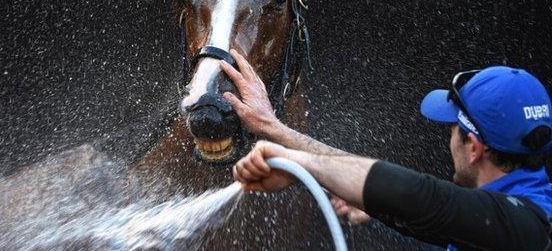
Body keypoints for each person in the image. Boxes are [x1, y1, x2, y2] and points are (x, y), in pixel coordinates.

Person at [218, 50, 552, 250]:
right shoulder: (515, 210)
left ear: (474, 148)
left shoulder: (527, 228)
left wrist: (299, 160)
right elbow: (408, 200)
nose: (449, 137)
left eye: (453, 127)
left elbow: (420, 198)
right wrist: (272, 128)